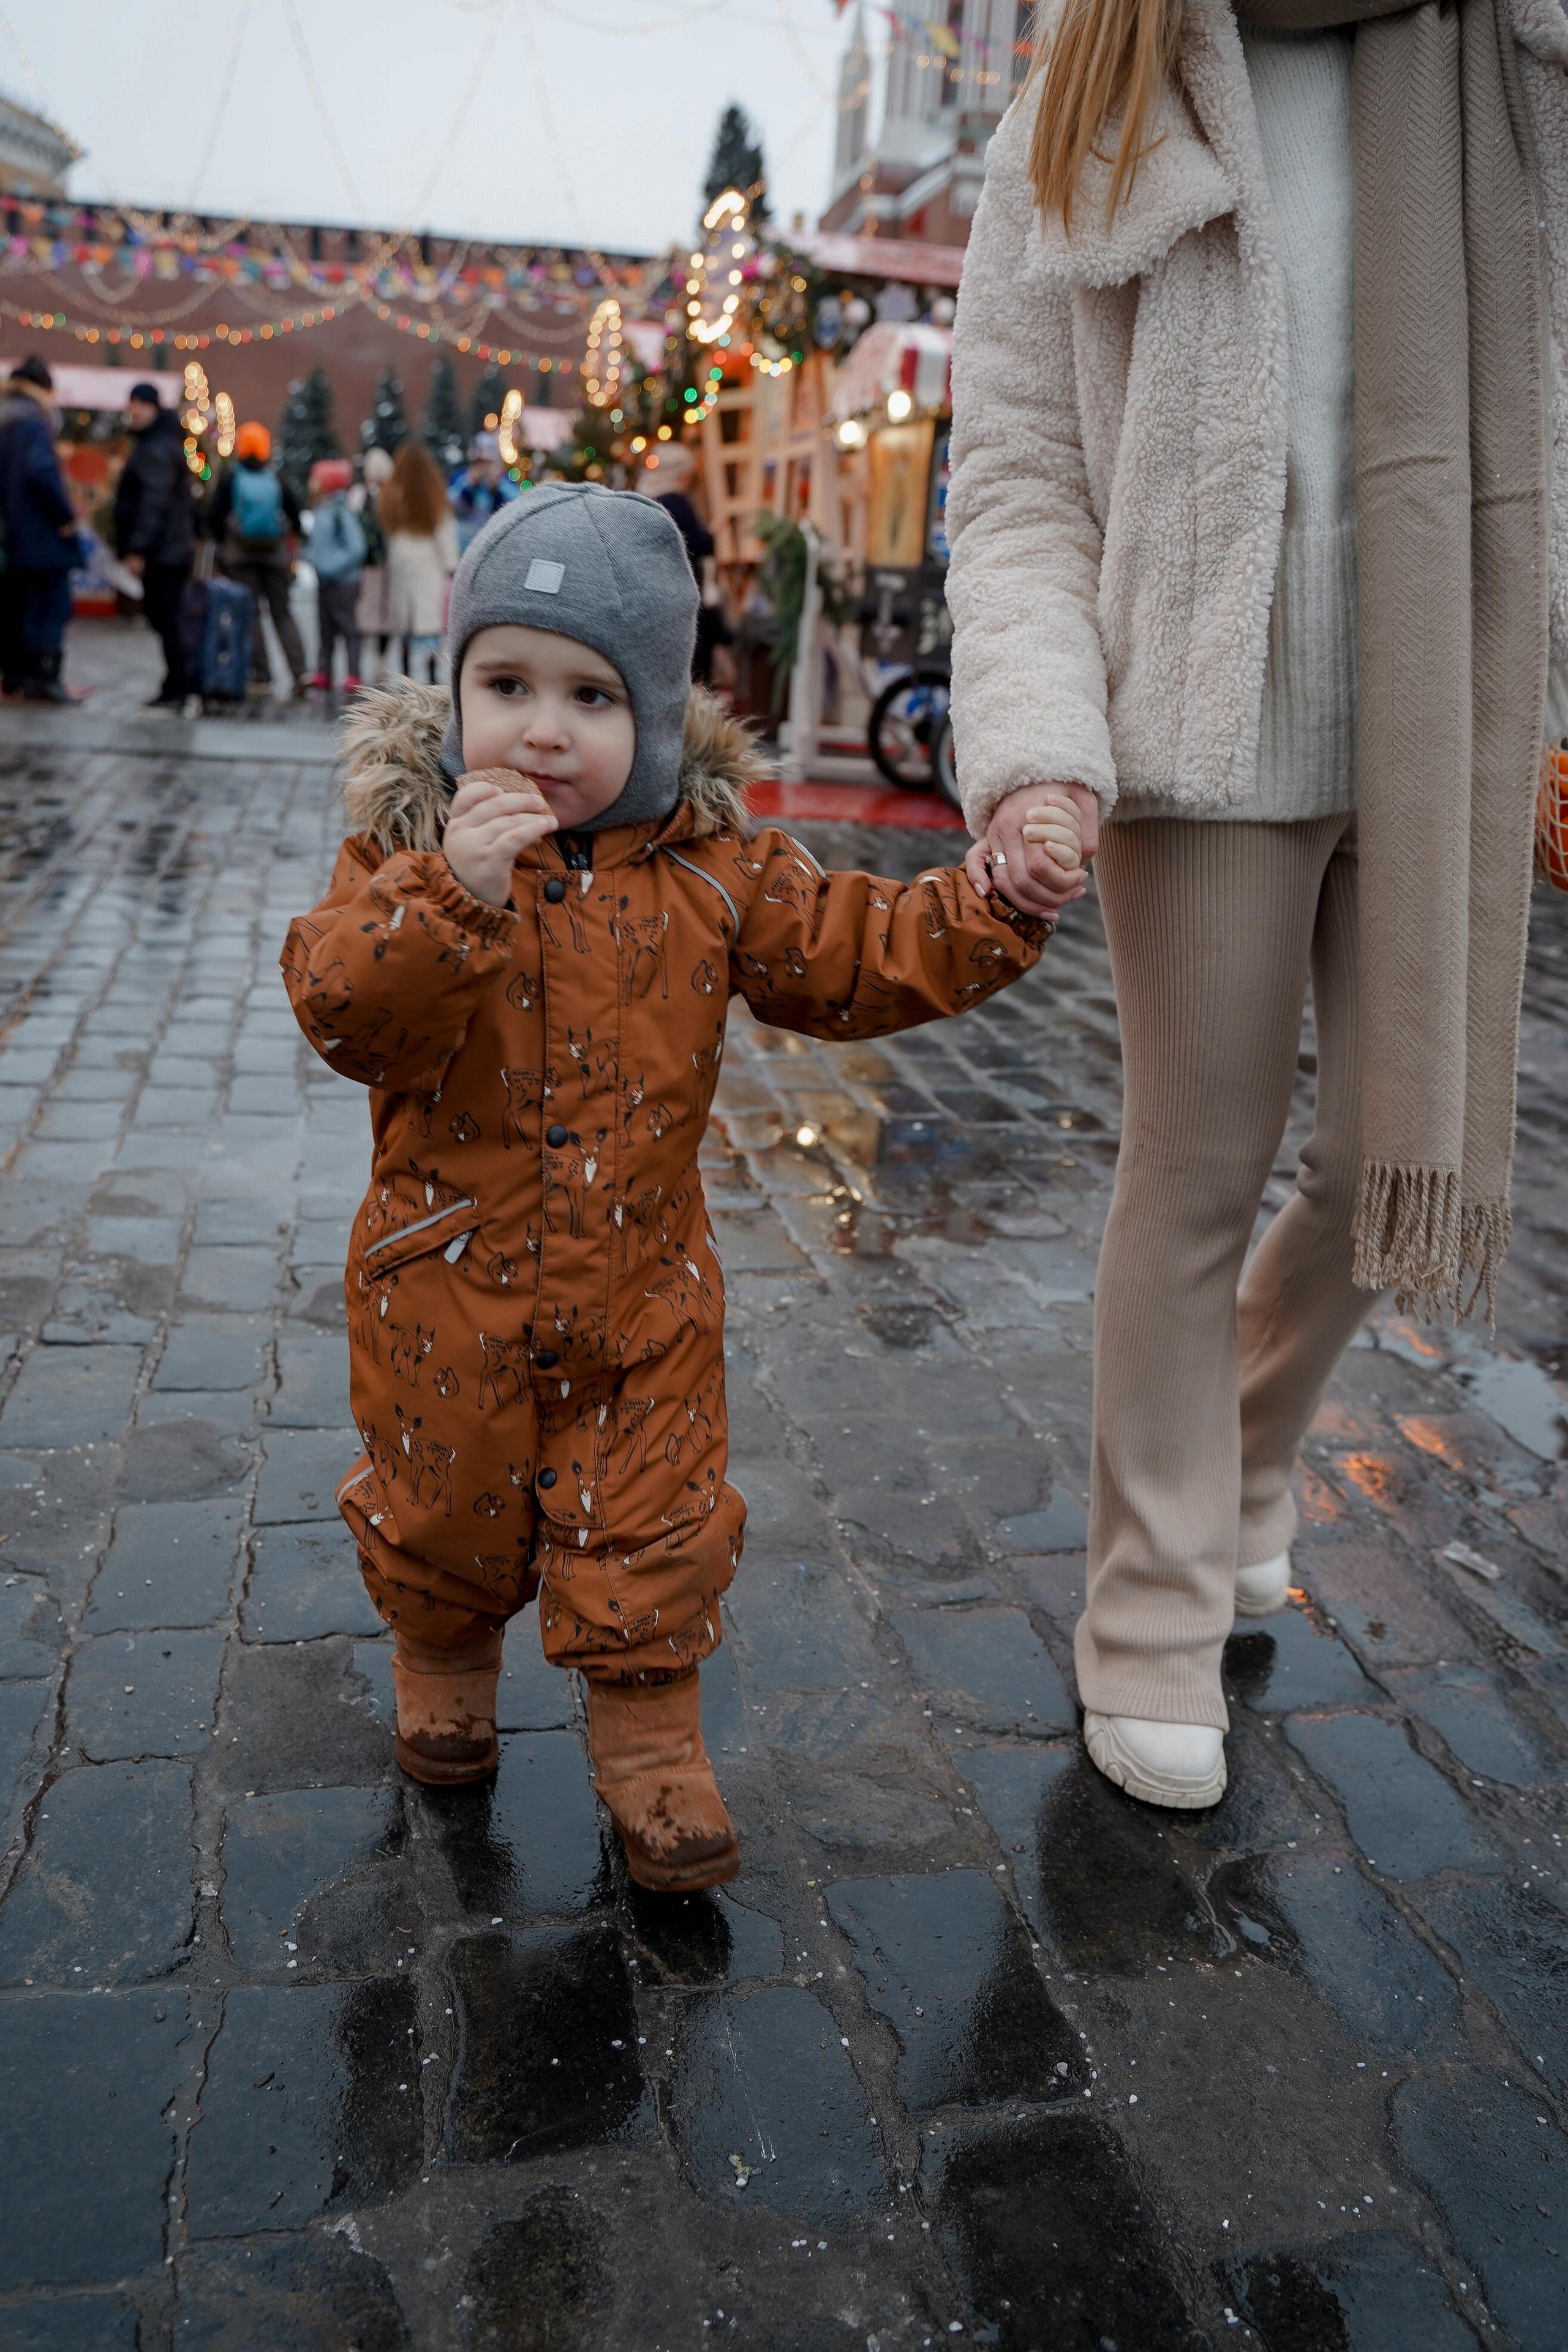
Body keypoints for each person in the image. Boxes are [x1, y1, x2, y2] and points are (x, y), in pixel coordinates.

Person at [947, 0, 1568, 1808]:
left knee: (1401, 1162)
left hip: (1444, 713)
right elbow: (1013, 473)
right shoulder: (1106, 71)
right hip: (1199, 725)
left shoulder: (1517, 63)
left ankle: (1236, 1439)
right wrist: (1042, 741)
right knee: (1195, 1172)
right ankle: (1146, 1602)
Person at [279, 483, 1078, 1888]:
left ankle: (651, 1747)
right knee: (439, 1509)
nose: (540, 726)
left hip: (639, 1302)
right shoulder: (407, 857)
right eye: (505, 683)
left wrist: (992, 904)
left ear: (653, 716)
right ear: (453, 687)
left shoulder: (711, 874)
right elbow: (346, 1012)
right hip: (441, 1291)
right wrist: (451, 895)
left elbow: (856, 947)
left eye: (589, 696)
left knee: (645, 1526)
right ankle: (442, 1661)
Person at [0, 355, 84, 703]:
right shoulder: (35, 423)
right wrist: (66, 516)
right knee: (51, 608)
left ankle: (18, 677)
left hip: (12, 535)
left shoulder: (6, 420)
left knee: (21, 608)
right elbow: (42, 473)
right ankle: (45, 679)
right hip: (41, 534)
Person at [207, 421, 308, 696]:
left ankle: (261, 676)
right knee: (283, 613)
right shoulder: (276, 478)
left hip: (241, 557)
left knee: (251, 615)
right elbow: (297, 518)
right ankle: (301, 672)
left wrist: (227, 539)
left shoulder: (231, 477)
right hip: (274, 556)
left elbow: (214, 517)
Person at [113, 380, 197, 709]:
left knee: (168, 620)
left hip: (164, 552)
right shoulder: (159, 443)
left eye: (140, 404)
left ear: (154, 408)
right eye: (131, 402)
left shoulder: (157, 448)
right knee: (167, 620)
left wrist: (139, 548)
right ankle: (176, 685)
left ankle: (179, 688)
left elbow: (154, 503)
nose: (133, 410)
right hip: (167, 550)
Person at [647, 440, 734, 690]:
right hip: (681, 592)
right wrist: (714, 533)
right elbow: (695, 544)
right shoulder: (677, 501)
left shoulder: (650, 497)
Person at [380, 441, 458, 683]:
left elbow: (388, 531)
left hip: (402, 561)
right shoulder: (433, 495)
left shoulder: (392, 495)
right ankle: (433, 676)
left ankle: (406, 675)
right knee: (430, 624)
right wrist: (450, 564)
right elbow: (444, 532)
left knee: (405, 623)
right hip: (429, 563)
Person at [304, 458, 366, 694]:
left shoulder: (342, 512)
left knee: (348, 627)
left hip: (343, 582)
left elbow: (356, 547)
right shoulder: (321, 509)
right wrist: (312, 558)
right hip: (325, 580)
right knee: (325, 629)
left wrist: (331, 565)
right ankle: (324, 671)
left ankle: (353, 673)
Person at [352, 447, 396, 681]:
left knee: (363, 612)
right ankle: (380, 661)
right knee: (385, 614)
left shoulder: (359, 495)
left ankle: (357, 665)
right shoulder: (393, 496)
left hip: (365, 564)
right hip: (388, 564)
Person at [450, 431, 516, 553]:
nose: (483, 467)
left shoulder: (504, 481)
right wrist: (469, 486)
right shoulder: (462, 477)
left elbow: (515, 508)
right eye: (480, 462)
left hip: (494, 545)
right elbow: (450, 505)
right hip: (463, 546)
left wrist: (497, 490)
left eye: (488, 462)